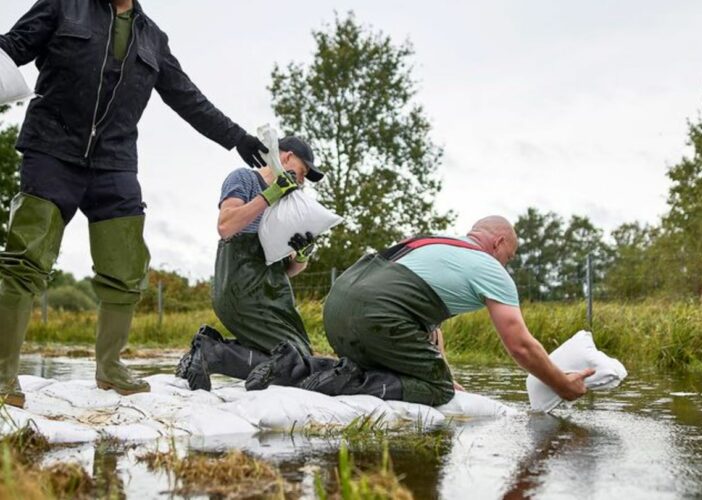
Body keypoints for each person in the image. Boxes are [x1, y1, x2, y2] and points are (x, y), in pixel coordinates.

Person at [0, 0, 271, 408]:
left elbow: (188, 98)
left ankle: (110, 367)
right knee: (26, 261)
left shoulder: (152, 38)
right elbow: (10, 49)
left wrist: (237, 137)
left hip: (114, 162)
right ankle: (4, 376)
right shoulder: (63, 6)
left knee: (126, 271)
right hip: (51, 150)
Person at [245, 216, 595, 407]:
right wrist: (561, 385)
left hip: (336, 307)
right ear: (499, 243)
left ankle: (292, 365)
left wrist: (444, 373)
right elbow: (520, 344)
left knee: (429, 378)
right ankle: (332, 381)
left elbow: (428, 329)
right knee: (438, 391)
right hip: (376, 316)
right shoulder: (490, 268)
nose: (508, 263)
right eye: (510, 256)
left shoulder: (435, 243)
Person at [175, 136, 334, 392]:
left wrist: (301, 255)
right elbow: (226, 227)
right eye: (302, 172)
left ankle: (210, 349)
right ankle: (211, 354)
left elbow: (287, 271)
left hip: (272, 293)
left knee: (301, 356)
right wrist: (269, 195)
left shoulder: (287, 203)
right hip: (241, 289)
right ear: (286, 157)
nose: (302, 182)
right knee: (297, 363)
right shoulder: (244, 179)